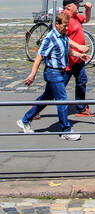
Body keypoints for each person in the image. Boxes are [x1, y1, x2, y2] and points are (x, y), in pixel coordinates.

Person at [17, 11, 81, 141]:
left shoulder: (63, 36)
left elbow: (66, 49)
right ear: (57, 24)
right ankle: (66, 130)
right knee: (62, 100)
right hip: (53, 72)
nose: (67, 27)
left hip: (61, 72)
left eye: (67, 25)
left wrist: (79, 55)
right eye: (64, 25)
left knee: (46, 98)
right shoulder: (50, 38)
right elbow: (39, 56)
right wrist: (33, 74)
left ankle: (25, 120)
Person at [62, 0, 94, 120]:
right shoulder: (63, 18)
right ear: (69, 6)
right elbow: (62, 37)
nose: (79, 6)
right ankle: (35, 108)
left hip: (78, 59)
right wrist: (79, 47)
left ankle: (81, 108)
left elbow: (86, 19)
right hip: (69, 59)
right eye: (77, 4)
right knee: (57, 88)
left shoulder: (74, 16)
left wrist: (88, 9)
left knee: (82, 81)